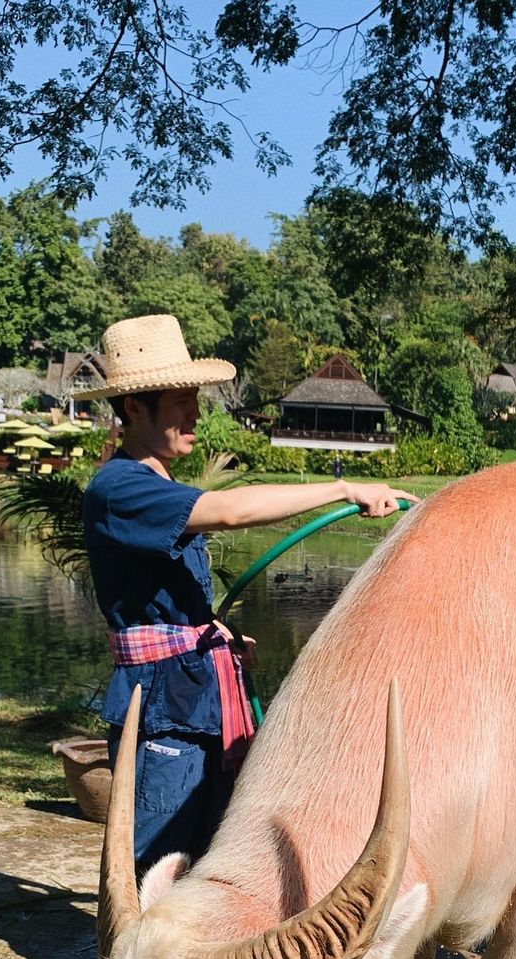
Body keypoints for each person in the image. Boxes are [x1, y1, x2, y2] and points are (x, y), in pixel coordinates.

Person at [79, 314, 417, 870]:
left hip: (194, 691)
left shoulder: (160, 482)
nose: (195, 412)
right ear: (135, 408)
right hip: (162, 704)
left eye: (196, 397)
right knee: (156, 857)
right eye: (181, 398)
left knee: (206, 850)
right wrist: (343, 486)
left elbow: (165, 594)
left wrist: (219, 635)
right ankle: (130, 953)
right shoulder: (119, 488)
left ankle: (188, 956)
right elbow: (232, 510)